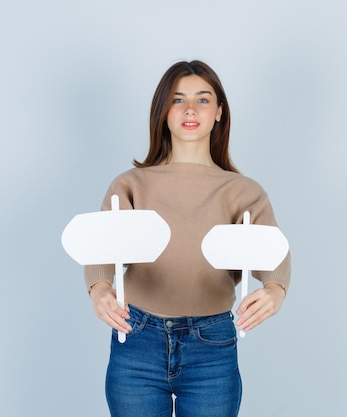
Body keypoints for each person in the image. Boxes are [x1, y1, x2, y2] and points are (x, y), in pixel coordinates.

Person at [84, 60, 291, 417]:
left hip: (211, 344)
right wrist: (99, 290)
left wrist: (275, 291)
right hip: (137, 339)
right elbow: (103, 250)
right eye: (178, 100)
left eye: (203, 99)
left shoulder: (243, 192)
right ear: (163, 112)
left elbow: (274, 255)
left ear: (219, 112)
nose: (190, 109)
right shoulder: (130, 185)